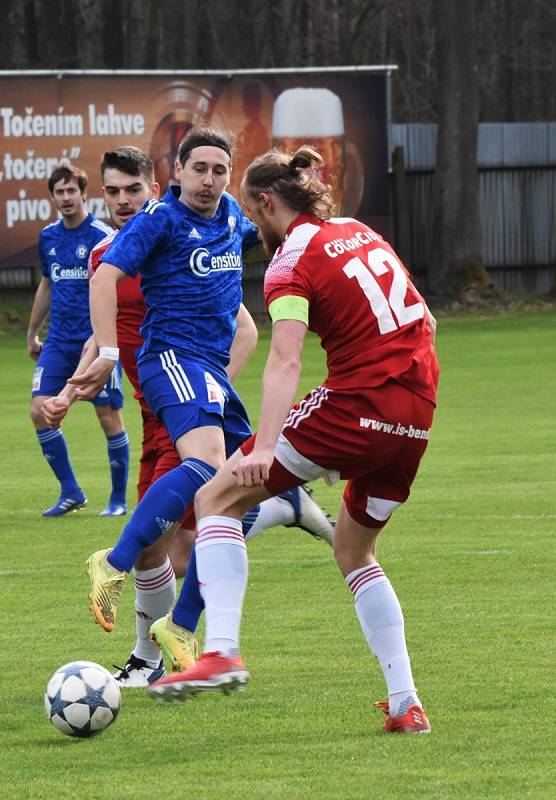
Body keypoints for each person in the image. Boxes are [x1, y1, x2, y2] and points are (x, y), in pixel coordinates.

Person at [147, 146, 440, 736]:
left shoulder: (289, 263)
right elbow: (427, 322)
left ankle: (221, 651)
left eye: (253, 213)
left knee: (217, 498)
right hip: (418, 411)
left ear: (264, 201)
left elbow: (284, 359)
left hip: (359, 401)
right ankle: (406, 702)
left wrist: (264, 447)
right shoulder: (358, 230)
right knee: (355, 552)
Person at [42, 145, 334, 687]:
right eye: (198, 168)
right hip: (173, 358)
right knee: (203, 480)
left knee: (247, 485)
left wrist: (305, 194)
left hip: (205, 376)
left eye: (219, 170)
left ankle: (181, 625)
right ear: (175, 173)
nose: (208, 179)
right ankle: (115, 565)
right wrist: (102, 358)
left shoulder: (231, 217)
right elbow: (104, 280)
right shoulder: (158, 222)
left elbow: (275, 225)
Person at [28, 164, 129, 518]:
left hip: (96, 340)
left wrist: (105, 339)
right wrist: (32, 332)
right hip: (58, 341)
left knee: (108, 417)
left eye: (73, 191)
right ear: (53, 197)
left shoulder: (102, 237)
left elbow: (113, 290)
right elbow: (46, 285)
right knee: (40, 411)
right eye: (60, 192)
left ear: (85, 194)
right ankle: (71, 491)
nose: (67, 198)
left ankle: (118, 499)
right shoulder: (49, 238)